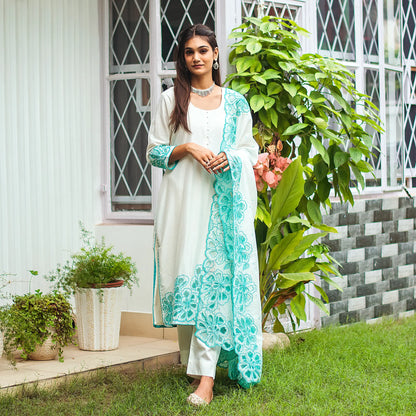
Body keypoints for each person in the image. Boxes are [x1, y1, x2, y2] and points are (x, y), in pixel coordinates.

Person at [146, 24, 262, 406]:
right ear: (184, 58)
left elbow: (248, 150)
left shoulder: (236, 103)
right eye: (188, 52)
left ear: (215, 54)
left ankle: (207, 380)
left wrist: (234, 158)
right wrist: (189, 148)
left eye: (203, 50)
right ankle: (196, 364)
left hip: (223, 204)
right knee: (190, 279)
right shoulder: (169, 100)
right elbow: (155, 152)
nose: (196, 57)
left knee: (213, 279)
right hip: (182, 204)